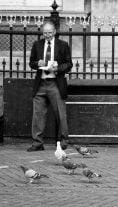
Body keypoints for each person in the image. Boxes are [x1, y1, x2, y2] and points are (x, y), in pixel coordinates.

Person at [27, 21, 73, 152]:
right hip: (40, 83)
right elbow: (31, 63)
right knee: (38, 115)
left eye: (49, 32)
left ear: (54, 32)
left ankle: (63, 141)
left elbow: (69, 64)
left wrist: (58, 67)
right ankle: (37, 143)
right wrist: (37, 63)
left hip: (55, 83)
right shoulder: (37, 44)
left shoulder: (63, 45)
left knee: (61, 114)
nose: (47, 35)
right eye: (44, 32)